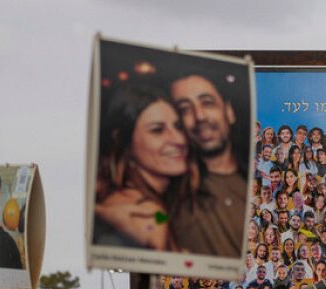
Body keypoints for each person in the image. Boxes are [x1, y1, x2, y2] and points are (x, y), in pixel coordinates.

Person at [93, 84, 191, 251]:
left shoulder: (159, 208)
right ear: (123, 140)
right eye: (157, 130)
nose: (178, 139)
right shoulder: (147, 214)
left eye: (178, 126)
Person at [169, 71, 248, 258]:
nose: (200, 116)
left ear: (229, 111)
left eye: (207, 102)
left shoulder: (252, 182)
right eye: (185, 109)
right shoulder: (174, 194)